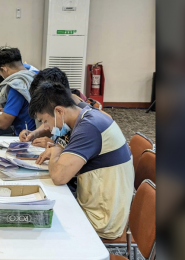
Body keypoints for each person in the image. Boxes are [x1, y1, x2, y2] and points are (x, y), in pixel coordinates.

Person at [28, 81, 134, 239]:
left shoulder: (89, 127)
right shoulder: (87, 116)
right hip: (101, 204)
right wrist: (58, 150)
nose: (46, 128)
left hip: (101, 219)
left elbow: (59, 176)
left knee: (33, 220)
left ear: (59, 111)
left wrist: (56, 148)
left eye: (45, 121)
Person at [20, 67, 111, 147]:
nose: (46, 126)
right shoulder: (62, 111)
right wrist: (34, 133)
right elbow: (52, 121)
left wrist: (56, 147)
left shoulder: (87, 119)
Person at [0, 47, 36, 136]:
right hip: (38, 132)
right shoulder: (33, 76)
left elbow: (3, 123)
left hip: (27, 137)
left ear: (4, 69)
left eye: (1, 73)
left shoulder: (17, 86)